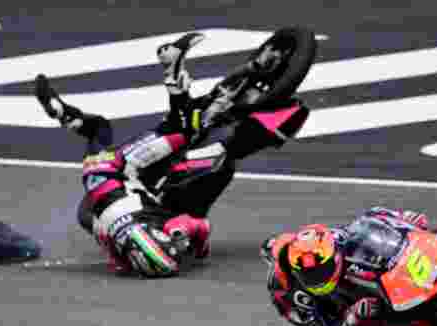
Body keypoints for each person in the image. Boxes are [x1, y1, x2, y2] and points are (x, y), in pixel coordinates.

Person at [35, 32, 308, 277]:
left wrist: (193, 235)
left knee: (188, 136)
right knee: (108, 136)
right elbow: (197, 237)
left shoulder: (148, 233)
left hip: (121, 175)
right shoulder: (123, 248)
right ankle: (71, 117)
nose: (173, 245)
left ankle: (173, 74)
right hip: (119, 182)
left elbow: (198, 234)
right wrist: (192, 238)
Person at [263, 206, 437, 326]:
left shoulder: (333, 241)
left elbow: (371, 218)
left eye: (320, 269)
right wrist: (351, 317)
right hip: (336, 315)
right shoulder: (296, 297)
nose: (317, 277)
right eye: (309, 274)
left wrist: (403, 219)